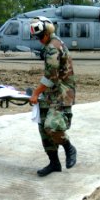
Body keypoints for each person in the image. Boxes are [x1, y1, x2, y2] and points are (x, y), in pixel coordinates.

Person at [28, 16, 77, 177]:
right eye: (37, 38)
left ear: (48, 33)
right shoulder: (50, 44)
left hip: (61, 93)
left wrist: (36, 93)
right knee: (43, 129)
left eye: (41, 37)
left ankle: (68, 147)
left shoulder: (53, 47)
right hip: (50, 92)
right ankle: (54, 163)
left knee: (52, 126)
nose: (39, 40)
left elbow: (51, 76)